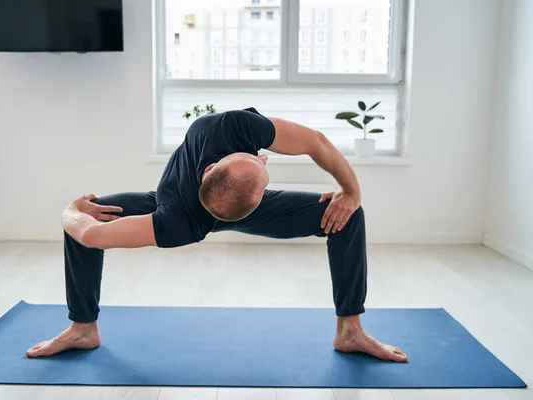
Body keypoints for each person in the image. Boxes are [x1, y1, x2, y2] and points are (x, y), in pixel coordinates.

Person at [26, 107, 407, 362]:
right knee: (92, 213)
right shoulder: (177, 221)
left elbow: (314, 142)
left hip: (223, 203)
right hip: (176, 206)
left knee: (347, 215)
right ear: (209, 168)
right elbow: (90, 235)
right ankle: (82, 328)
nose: (261, 156)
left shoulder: (236, 128)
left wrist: (350, 191)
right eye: (256, 159)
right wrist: (73, 213)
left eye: (260, 162)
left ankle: (350, 331)